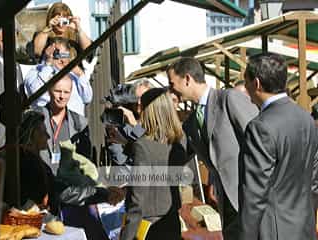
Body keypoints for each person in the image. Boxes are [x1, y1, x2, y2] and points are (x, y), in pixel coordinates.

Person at [167, 57, 258, 239]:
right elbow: (175, 155)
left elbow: (261, 140)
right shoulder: (192, 121)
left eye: (171, 83)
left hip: (252, 199)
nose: (170, 90)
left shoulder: (229, 99)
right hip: (226, 203)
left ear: (187, 79)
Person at [239, 53, 318, 240]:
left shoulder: (260, 126)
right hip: (303, 227)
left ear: (256, 83)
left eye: (246, 82)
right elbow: (313, 181)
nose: (245, 88)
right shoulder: (306, 118)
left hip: (272, 231)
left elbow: (254, 195)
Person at [120, 87, 187, 240]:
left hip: (149, 226)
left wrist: (127, 235)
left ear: (148, 111)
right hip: (171, 219)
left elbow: (137, 200)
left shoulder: (143, 145)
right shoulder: (180, 140)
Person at [35, 75, 92, 174]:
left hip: (69, 185)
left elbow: (86, 161)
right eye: (58, 91)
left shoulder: (80, 123)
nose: (62, 96)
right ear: (49, 91)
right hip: (42, 182)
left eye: (66, 92)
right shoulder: (35, 119)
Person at [24, 37, 92, 116]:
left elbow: (87, 98)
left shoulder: (74, 75)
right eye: (57, 55)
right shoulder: (37, 71)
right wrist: (48, 64)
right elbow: (34, 92)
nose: (61, 59)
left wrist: (79, 72)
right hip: (47, 120)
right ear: (49, 52)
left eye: (64, 55)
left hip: (74, 123)